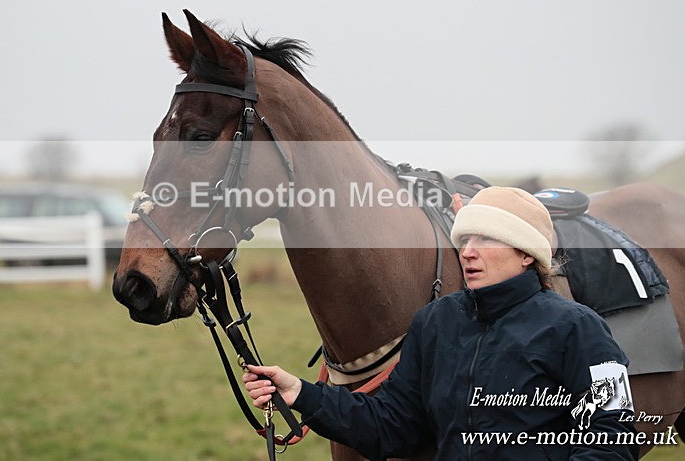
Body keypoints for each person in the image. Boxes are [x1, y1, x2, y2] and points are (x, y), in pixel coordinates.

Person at [243, 186, 638, 460]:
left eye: (486, 239)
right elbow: (391, 426)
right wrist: (302, 393)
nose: (467, 252)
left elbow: (616, 435)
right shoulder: (435, 322)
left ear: (526, 254)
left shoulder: (579, 328)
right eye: (464, 240)